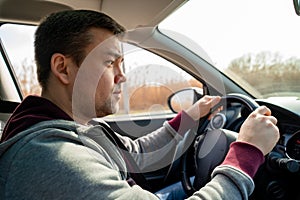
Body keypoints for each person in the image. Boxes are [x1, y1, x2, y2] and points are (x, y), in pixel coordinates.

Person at [0, 10, 279, 200]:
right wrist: (246, 153)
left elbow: (137, 154)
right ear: (64, 68)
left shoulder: (80, 128)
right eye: (111, 63)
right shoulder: (49, 157)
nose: (123, 76)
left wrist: (190, 116)